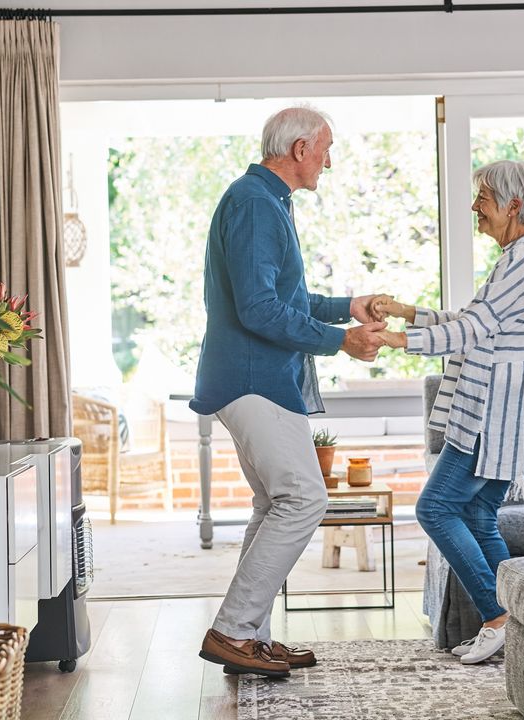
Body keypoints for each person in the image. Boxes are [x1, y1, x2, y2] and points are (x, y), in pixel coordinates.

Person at [190, 106, 390, 678]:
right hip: (253, 378)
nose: (329, 159)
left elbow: (284, 297)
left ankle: (248, 639)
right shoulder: (255, 204)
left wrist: (345, 308)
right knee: (304, 498)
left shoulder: (266, 200)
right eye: (326, 148)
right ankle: (232, 630)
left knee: (273, 503)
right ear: (300, 149)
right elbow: (259, 309)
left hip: (255, 378)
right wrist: (340, 341)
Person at [376, 159, 524, 665]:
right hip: (504, 420)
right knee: (478, 513)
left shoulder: (522, 263)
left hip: (489, 417)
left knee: (434, 508)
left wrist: (393, 339)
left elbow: (467, 332)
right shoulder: (516, 261)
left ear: (513, 205)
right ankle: (521, 622)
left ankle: (496, 618)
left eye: (484, 197)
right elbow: (472, 320)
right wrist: (407, 312)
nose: (476, 207)